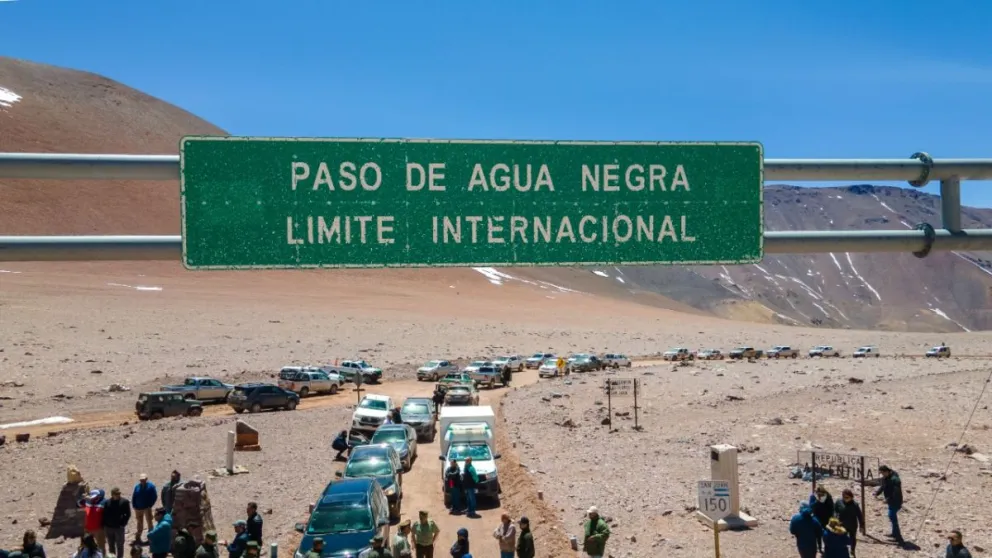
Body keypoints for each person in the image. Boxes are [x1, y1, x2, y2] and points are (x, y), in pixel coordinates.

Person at [874, 465, 904, 545]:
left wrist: (888, 499)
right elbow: (883, 486)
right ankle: (894, 534)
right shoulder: (886, 478)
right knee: (892, 517)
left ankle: (898, 538)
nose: (882, 475)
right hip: (891, 501)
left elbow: (896, 493)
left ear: (886, 471)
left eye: (883, 473)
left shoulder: (895, 479)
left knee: (892, 517)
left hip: (895, 502)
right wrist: (877, 493)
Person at [834, 489, 864, 557]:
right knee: (841, 538)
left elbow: (859, 515)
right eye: (844, 497)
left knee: (852, 539)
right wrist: (835, 517)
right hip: (842, 524)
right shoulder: (839, 502)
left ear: (851, 497)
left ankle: (852, 551)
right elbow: (835, 510)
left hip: (852, 525)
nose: (845, 499)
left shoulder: (855, 505)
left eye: (847, 497)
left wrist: (861, 526)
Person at [103, 488, 132, 558]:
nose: (118, 495)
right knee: (111, 545)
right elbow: (104, 514)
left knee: (120, 545)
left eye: (119, 494)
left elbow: (128, 514)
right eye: (116, 494)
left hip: (119, 528)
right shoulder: (107, 502)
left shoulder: (124, 502)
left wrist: (123, 524)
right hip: (109, 528)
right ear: (112, 494)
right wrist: (105, 525)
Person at [78, 489, 107, 557]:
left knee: (101, 546)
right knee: (85, 545)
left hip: (98, 529)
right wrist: (83, 498)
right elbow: (78, 504)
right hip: (87, 528)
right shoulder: (87, 501)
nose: (93, 498)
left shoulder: (104, 503)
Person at [131, 474, 158, 543]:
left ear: (146, 479)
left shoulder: (151, 486)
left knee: (149, 522)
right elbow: (134, 496)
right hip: (138, 508)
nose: (142, 481)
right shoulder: (137, 486)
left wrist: (150, 505)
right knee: (139, 523)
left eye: (143, 480)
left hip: (147, 508)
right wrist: (134, 505)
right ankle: (138, 537)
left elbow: (154, 496)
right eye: (141, 480)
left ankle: (151, 538)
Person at [809, 486, 835, 553]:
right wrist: (817, 502)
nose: (820, 496)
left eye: (821, 494)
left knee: (827, 533)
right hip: (817, 518)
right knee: (818, 534)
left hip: (827, 518)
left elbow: (831, 508)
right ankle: (819, 547)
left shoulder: (828, 497)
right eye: (818, 494)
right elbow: (811, 506)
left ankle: (827, 546)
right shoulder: (813, 497)